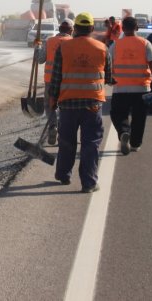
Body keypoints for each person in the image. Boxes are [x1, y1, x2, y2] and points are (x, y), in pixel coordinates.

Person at [49, 12, 112, 193]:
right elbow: (108, 76)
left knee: (67, 140)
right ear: (92, 29)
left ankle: (63, 175)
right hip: (92, 104)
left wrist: (53, 99)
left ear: (75, 29)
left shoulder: (64, 47)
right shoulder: (102, 48)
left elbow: (56, 77)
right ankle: (89, 183)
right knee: (90, 143)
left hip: (68, 102)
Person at [109, 16, 152, 155]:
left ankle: (123, 132)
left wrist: (109, 79)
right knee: (139, 117)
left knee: (118, 114)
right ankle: (135, 144)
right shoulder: (145, 43)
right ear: (137, 28)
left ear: (123, 29)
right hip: (142, 88)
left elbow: (107, 64)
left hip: (120, 88)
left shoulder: (115, 45)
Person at [36, 19, 73, 144]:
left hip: (50, 81)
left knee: (49, 105)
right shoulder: (73, 43)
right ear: (71, 30)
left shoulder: (50, 41)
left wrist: (38, 46)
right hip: (67, 82)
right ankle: (62, 133)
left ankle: (53, 126)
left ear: (59, 29)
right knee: (65, 108)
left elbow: (40, 59)